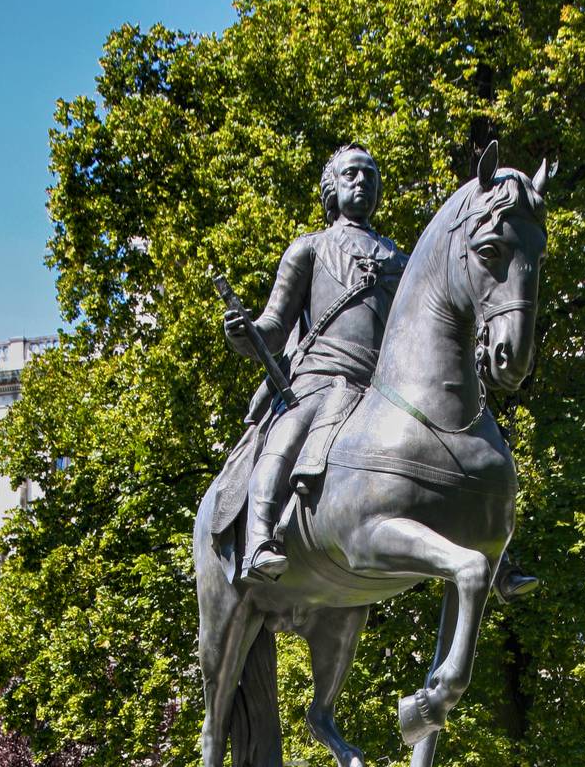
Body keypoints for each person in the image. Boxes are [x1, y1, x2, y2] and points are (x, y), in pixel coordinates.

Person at [220, 142, 537, 598]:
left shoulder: (401, 260)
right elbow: (273, 327)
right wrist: (245, 331)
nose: (362, 182)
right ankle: (260, 537)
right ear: (332, 187)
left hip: (384, 388)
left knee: (479, 440)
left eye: (369, 174)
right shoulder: (309, 250)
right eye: (350, 174)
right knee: (289, 434)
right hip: (322, 377)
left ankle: (498, 557)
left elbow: (420, 327)